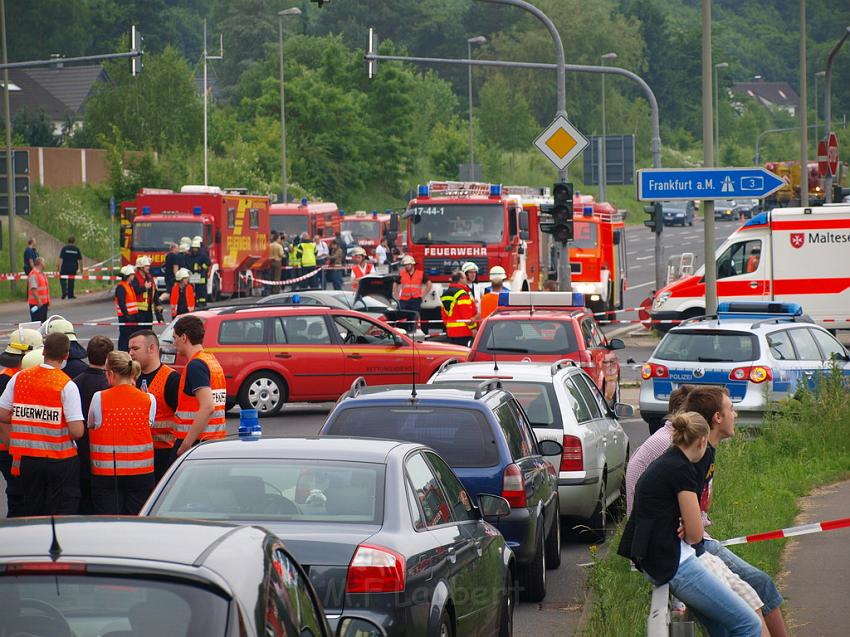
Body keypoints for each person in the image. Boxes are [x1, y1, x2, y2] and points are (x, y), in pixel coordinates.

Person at [626, 385, 787, 637]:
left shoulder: (676, 460)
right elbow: (695, 534)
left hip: (677, 555)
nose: (735, 414)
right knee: (748, 623)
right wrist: (689, 524)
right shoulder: (685, 466)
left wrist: (685, 522)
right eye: (731, 409)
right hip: (678, 560)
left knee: (731, 622)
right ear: (703, 436)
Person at [0, 333, 85, 517]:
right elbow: (77, 431)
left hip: (28, 459)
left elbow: (2, 413)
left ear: (44, 351)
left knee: (33, 509)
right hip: (60, 460)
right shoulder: (66, 385)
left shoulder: (19, 378)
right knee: (61, 510)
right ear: (66, 356)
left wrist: (26, 419)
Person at [87, 351, 156, 515]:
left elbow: (91, 424)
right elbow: (149, 424)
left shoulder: (99, 398)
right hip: (141, 473)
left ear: (111, 373)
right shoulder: (149, 399)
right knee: (137, 519)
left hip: (107, 474)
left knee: (108, 521)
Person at [129, 330, 181, 481]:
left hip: (164, 454)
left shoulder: (171, 379)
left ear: (151, 348)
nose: (130, 353)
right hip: (137, 455)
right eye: (129, 349)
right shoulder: (130, 378)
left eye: (135, 349)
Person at [171, 315, 227, 456]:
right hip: (214, 439)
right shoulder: (210, 360)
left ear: (184, 338)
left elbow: (207, 406)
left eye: (174, 338)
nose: (173, 343)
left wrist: (185, 446)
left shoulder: (195, 365)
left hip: (197, 442)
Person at [72, 335, 114, 514]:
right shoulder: (110, 385)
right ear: (109, 357)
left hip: (80, 450)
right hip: (105, 453)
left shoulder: (75, 383)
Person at [0, 328, 43, 484]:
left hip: (15, 448)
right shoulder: (9, 380)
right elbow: (4, 424)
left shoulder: (8, 375)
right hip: (13, 450)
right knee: (20, 496)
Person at [440, 270, 478, 346]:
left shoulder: (445, 294)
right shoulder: (462, 294)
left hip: (450, 332)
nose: (466, 279)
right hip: (464, 332)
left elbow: (444, 315)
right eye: (464, 277)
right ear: (460, 279)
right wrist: (473, 329)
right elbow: (466, 316)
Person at [394, 255, 431, 332]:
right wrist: (396, 295)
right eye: (405, 265)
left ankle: (414, 331)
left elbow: (429, 284)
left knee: (414, 317)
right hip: (404, 300)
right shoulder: (401, 273)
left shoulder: (420, 273)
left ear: (412, 264)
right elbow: (395, 284)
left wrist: (423, 295)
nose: (406, 267)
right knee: (403, 318)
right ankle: (404, 332)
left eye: (407, 265)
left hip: (416, 299)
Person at [115, 264, 139, 352]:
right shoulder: (121, 287)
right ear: (127, 276)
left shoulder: (129, 286)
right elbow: (122, 303)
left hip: (132, 316)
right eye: (132, 275)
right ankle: (123, 352)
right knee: (124, 337)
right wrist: (127, 315)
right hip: (125, 317)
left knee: (130, 337)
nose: (133, 276)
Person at [132, 256, 157, 329]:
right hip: (138, 311)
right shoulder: (135, 278)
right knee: (140, 331)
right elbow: (134, 291)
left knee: (148, 330)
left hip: (148, 309)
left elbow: (154, 291)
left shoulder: (149, 277)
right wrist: (144, 288)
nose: (148, 267)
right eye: (146, 266)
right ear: (141, 267)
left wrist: (158, 304)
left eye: (148, 266)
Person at [188, 237, 210, 307]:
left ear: (198, 248)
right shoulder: (190, 256)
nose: (194, 249)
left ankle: (203, 302)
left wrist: (202, 267)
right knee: (195, 289)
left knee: (202, 290)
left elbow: (208, 263)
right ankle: (196, 302)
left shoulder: (203, 255)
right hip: (193, 274)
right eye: (193, 248)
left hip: (201, 275)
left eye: (196, 248)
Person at [27, 257, 50, 323]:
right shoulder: (34, 274)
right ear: (40, 263)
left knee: (43, 323)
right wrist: (39, 301)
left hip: (43, 304)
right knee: (37, 323)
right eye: (44, 262)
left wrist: (47, 303)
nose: (45, 264)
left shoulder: (42, 274)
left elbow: (45, 289)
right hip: (36, 304)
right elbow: (33, 289)